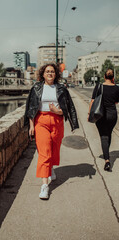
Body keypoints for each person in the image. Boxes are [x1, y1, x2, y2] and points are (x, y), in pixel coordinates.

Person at [24, 63, 79, 199]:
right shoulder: (36, 88)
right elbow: (31, 108)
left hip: (57, 121)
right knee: (44, 152)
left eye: (52, 71)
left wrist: (57, 111)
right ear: (43, 74)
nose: (50, 73)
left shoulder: (61, 88)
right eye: (47, 71)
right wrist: (31, 126)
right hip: (41, 121)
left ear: (56, 74)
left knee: (54, 148)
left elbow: (67, 107)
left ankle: (51, 168)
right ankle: (44, 186)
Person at [88, 69, 119, 171]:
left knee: (103, 136)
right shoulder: (116, 88)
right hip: (112, 115)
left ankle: (107, 160)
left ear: (104, 77)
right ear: (112, 77)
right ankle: (107, 152)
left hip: (100, 114)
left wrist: (89, 114)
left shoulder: (99, 86)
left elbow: (92, 101)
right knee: (108, 134)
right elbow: (116, 103)